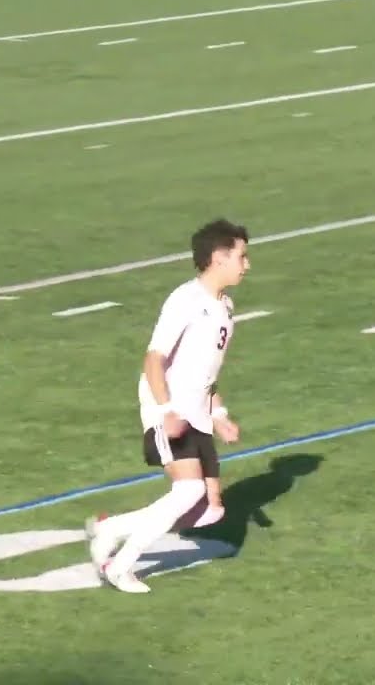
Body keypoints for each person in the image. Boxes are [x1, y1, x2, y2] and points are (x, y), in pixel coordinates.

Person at [85, 218, 250, 593]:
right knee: (188, 492)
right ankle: (120, 566)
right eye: (242, 256)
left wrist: (219, 414)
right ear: (218, 258)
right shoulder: (185, 300)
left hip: (197, 412)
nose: (247, 264)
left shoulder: (225, 306)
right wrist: (166, 410)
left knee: (208, 510)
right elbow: (153, 359)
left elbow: (207, 372)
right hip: (171, 410)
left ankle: (109, 528)